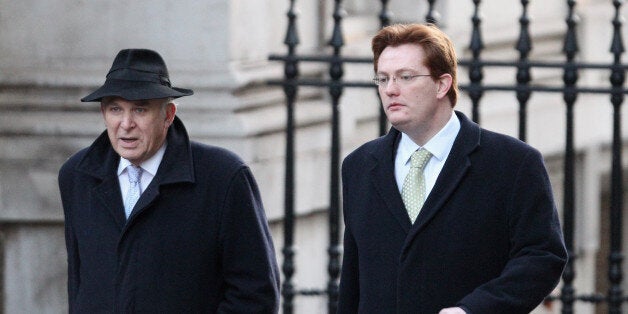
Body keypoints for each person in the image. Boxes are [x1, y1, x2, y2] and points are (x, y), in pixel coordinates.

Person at [337, 23, 567, 313]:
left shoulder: (513, 163)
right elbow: (353, 280)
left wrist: (473, 310)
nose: (390, 90)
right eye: (383, 79)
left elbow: (543, 257)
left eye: (405, 77)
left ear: (442, 84)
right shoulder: (359, 166)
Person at [58, 49, 280, 313]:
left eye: (140, 109)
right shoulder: (77, 175)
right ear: (104, 113)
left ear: (168, 115)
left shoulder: (224, 177)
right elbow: (80, 284)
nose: (126, 123)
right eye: (116, 109)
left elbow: (256, 295)